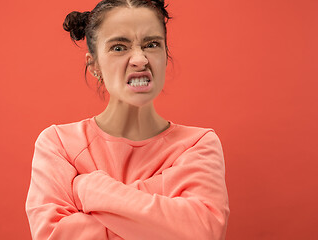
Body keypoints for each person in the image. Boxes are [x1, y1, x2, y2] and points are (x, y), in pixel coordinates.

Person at [25, 0, 230, 239]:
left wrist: (91, 189)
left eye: (151, 44)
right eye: (119, 48)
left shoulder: (199, 144)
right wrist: (162, 214)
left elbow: (202, 232)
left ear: (165, 55)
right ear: (94, 65)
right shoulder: (58, 144)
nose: (140, 59)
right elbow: (54, 235)